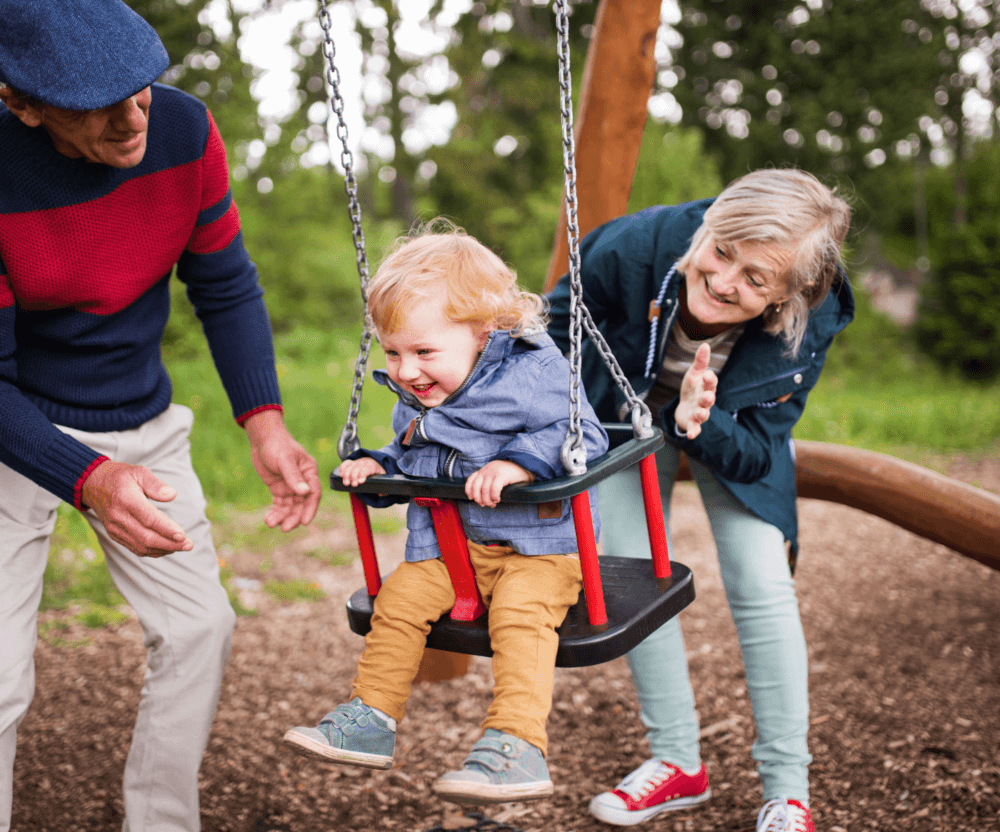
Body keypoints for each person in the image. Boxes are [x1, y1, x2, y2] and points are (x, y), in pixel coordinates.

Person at [0, 0, 321, 830]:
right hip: (17, 430)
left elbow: (223, 280)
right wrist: (89, 479)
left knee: (199, 629)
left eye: (139, 84)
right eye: (98, 105)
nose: (132, 115)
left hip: (140, 419)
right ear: (24, 106)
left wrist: (266, 420)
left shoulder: (184, 128)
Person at [547, 169, 853, 832]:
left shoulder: (812, 314)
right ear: (709, 220)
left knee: (760, 575)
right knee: (632, 571)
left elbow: (759, 451)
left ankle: (787, 788)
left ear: (787, 297)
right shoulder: (633, 247)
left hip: (729, 423)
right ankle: (677, 760)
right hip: (623, 414)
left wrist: (698, 421)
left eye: (755, 279)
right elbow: (550, 332)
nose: (723, 280)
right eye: (721, 251)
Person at [282, 223, 608, 804]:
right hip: (454, 549)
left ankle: (516, 746)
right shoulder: (421, 393)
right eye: (394, 353)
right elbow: (416, 455)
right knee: (399, 600)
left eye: (424, 352)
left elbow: (583, 433)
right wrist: (376, 468)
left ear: (484, 333)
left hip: (542, 551)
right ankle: (370, 719)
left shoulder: (534, 372)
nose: (406, 371)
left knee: (520, 616)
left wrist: (519, 466)